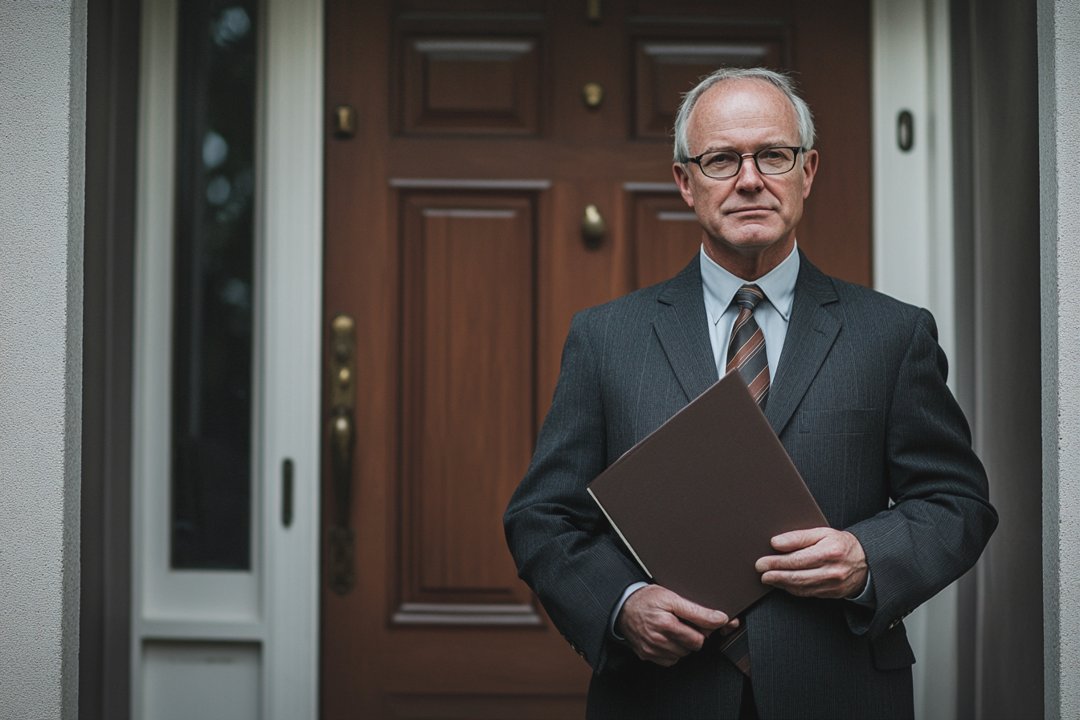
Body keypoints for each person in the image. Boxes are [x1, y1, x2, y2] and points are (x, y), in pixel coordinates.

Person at [503, 67, 997, 719]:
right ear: (685, 181)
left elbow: (956, 502)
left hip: (839, 689)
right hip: (660, 696)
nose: (749, 179)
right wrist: (621, 606)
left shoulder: (892, 334)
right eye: (721, 160)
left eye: (773, 154)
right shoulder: (605, 338)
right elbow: (543, 517)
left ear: (808, 171)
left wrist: (868, 557)